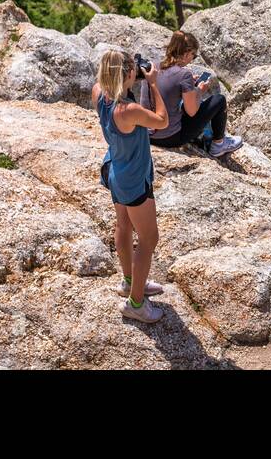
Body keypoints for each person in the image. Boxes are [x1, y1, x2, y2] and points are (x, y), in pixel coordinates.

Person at [92, 49, 169, 324]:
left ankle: (130, 281)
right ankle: (136, 303)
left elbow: (109, 83)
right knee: (148, 239)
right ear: (127, 74)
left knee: (123, 226)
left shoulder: (99, 93)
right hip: (134, 178)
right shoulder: (129, 110)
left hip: (114, 168)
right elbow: (162, 120)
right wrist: (152, 83)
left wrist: (128, 75)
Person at [146, 31, 243, 158]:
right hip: (170, 138)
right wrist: (199, 91)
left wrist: (188, 85)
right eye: (194, 55)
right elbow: (191, 111)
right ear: (186, 54)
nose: (193, 58)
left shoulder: (153, 67)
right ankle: (218, 144)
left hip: (149, 135)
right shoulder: (183, 75)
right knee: (219, 100)